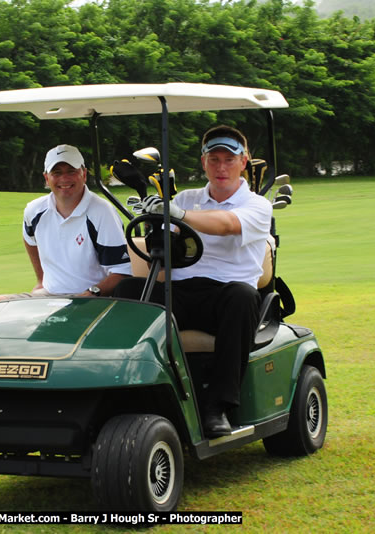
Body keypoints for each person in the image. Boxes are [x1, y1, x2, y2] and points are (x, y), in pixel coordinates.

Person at [115, 125, 272, 438]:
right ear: (204, 163)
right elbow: (167, 246)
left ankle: (219, 407)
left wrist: (178, 214)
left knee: (241, 297)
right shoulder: (187, 198)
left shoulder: (256, 205)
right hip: (183, 292)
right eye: (214, 159)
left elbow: (227, 225)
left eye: (230, 159)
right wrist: (154, 220)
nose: (221, 166)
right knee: (126, 291)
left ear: (244, 161)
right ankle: (129, 395)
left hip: (227, 297)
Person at [0, 144, 131, 304]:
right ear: (46, 178)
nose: (64, 179)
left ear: (83, 174)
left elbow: (121, 273)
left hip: (93, 300)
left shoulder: (102, 212)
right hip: (50, 296)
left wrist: (91, 294)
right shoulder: (34, 210)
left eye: (71, 172)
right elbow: (29, 240)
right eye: (57, 173)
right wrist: (40, 280)